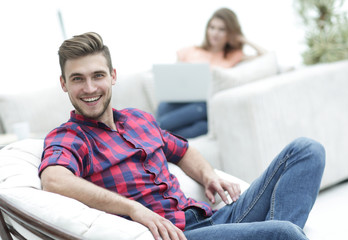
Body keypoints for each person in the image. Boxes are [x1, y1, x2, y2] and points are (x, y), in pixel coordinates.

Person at [39, 32, 325, 240]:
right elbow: (54, 179)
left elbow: (183, 150)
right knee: (284, 233)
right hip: (177, 236)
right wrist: (133, 209)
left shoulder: (139, 119)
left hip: (215, 219)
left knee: (306, 149)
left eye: (97, 75)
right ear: (64, 84)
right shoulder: (69, 137)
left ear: (113, 76)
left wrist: (208, 175)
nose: (89, 88)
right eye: (78, 79)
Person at [156, 7, 267, 139]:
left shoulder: (233, 56)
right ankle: (159, 134)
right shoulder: (190, 51)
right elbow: (173, 79)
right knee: (164, 109)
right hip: (178, 102)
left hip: (204, 106)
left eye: (222, 29)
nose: (215, 33)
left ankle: (157, 135)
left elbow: (265, 56)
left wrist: (242, 39)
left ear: (230, 33)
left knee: (202, 125)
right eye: (212, 27)